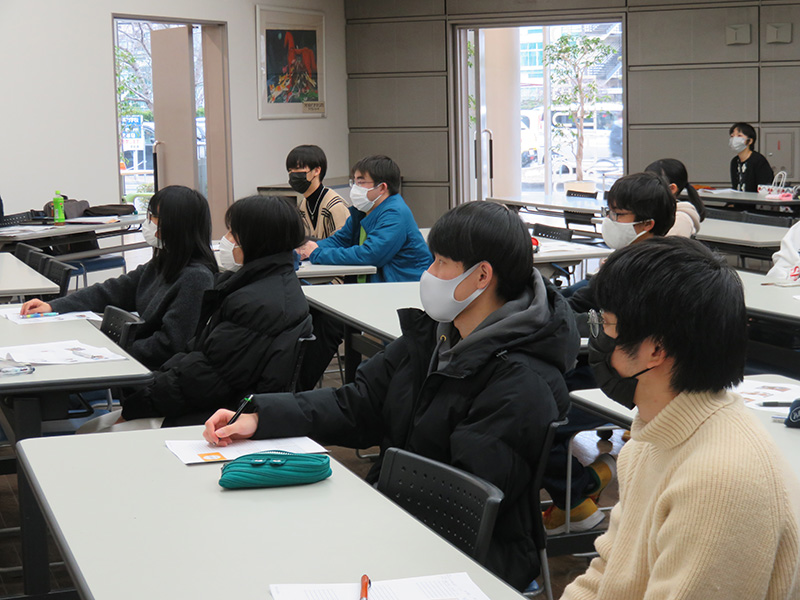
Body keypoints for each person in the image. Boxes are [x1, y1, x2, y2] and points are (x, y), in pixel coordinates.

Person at [204, 201, 579, 591]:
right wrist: (260, 416)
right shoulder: (435, 336)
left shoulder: (522, 380)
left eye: (440, 263)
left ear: (482, 275)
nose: (428, 273)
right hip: (399, 522)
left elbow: (463, 499)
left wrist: (357, 510)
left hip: (466, 559)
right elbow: (358, 403)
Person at [562, 236, 800, 599]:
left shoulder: (720, 483)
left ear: (656, 349)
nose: (597, 337)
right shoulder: (650, 440)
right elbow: (607, 572)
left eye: (606, 324)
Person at [542, 172, 676, 535]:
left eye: (618, 214)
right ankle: (578, 498)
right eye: (610, 212)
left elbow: (589, 315)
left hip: (623, 376)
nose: (609, 220)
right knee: (528, 401)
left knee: (534, 416)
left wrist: (548, 309)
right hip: (607, 365)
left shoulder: (650, 269)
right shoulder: (628, 259)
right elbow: (579, 300)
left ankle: (579, 492)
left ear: (646, 224)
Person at [119, 195, 313, 426]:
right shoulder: (260, 286)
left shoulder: (256, 304)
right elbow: (199, 356)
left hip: (219, 417)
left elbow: (204, 379)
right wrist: (154, 383)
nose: (226, 240)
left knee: (96, 431)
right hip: (216, 404)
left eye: (233, 233)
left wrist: (138, 402)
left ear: (256, 241)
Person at [20, 185, 217, 371]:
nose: (148, 222)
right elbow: (111, 291)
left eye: (154, 217)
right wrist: (54, 306)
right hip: (129, 360)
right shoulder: (164, 263)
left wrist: (112, 351)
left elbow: (168, 346)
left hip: (148, 372)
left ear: (176, 225)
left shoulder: (195, 279)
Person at [295, 155, 432, 390]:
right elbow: (341, 239)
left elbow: (370, 254)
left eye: (361, 182)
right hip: (373, 289)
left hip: (401, 292)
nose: (354, 188)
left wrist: (317, 254)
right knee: (321, 316)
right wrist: (310, 249)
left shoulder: (394, 212)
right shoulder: (363, 209)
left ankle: (304, 387)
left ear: (382, 187)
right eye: (354, 181)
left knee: (330, 322)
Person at [286, 144, 350, 240]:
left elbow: (342, 244)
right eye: (290, 170)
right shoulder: (302, 206)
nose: (293, 174)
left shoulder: (335, 207)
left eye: (298, 168)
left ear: (316, 170)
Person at [645, 158, 705, 237]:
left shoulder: (680, 219)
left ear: (672, 189)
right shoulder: (656, 212)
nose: (645, 188)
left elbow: (665, 245)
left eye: (652, 184)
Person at [729, 122, 774, 192]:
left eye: (739, 136)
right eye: (732, 136)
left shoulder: (758, 160)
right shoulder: (735, 161)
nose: (734, 139)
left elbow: (765, 187)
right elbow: (735, 187)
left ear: (750, 141)